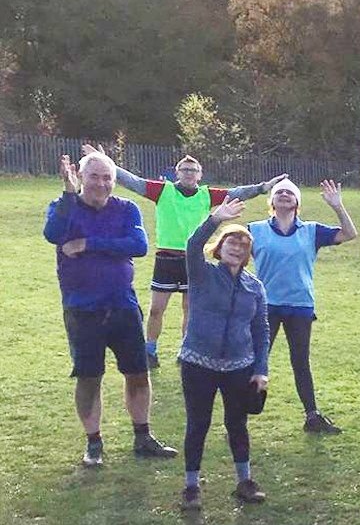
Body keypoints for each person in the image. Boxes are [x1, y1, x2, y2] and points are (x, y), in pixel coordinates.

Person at [85, 144, 285, 369]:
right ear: (177, 172)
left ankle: (186, 350)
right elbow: (132, 181)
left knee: (190, 309)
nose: (189, 174)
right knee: (156, 309)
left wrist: (263, 187)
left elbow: (237, 192)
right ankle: (150, 349)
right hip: (166, 258)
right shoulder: (163, 190)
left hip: (194, 261)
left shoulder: (206, 195)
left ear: (200, 174)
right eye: (185, 170)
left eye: (193, 170)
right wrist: (105, 161)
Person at [44, 152, 177, 467]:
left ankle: (143, 436)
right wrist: (67, 192)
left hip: (122, 306)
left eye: (108, 178)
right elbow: (53, 234)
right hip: (82, 309)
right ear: (81, 177)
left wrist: (89, 244)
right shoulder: (63, 207)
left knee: (137, 373)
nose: (102, 184)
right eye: (95, 177)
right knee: (89, 377)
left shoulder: (127, 209)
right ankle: (94, 443)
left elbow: (138, 245)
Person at [176, 198, 270, 509]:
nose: (237, 248)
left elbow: (261, 330)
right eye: (232, 242)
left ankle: (244, 481)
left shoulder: (254, 287)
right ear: (220, 247)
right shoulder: (202, 273)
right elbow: (192, 244)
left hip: (238, 367)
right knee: (198, 423)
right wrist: (216, 218)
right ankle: (191, 486)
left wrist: (261, 369)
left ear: (248, 254)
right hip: (197, 362)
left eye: (244, 245)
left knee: (237, 423)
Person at [246, 179, 359, 434]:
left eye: (290, 193)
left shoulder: (311, 230)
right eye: (279, 193)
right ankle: (239, 414)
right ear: (271, 202)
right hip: (266, 306)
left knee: (300, 361)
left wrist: (338, 207)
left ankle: (312, 417)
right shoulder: (255, 230)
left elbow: (349, 234)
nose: (284, 195)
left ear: (297, 202)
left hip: (300, 306)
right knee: (257, 360)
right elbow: (229, 252)